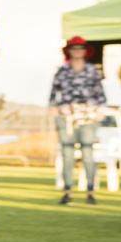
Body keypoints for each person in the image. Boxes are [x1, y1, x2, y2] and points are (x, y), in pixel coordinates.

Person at [48, 36, 106, 205]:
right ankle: (67, 191)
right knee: (67, 154)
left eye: (80, 48)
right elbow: (53, 93)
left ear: (85, 51)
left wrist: (99, 111)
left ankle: (90, 191)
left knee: (88, 153)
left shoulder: (92, 71)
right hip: (67, 116)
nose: (77, 51)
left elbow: (100, 94)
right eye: (74, 48)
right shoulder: (62, 71)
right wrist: (53, 108)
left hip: (89, 117)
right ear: (69, 51)